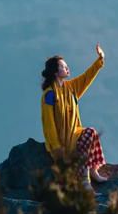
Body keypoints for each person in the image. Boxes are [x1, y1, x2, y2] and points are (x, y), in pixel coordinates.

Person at [40, 43, 108, 190]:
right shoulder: (50, 95)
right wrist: (57, 148)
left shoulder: (71, 88)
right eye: (64, 67)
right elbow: (49, 124)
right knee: (89, 134)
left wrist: (99, 60)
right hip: (63, 142)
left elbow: (86, 78)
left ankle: (92, 169)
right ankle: (84, 178)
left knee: (91, 132)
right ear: (56, 72)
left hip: (74, 136)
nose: (67, 68)